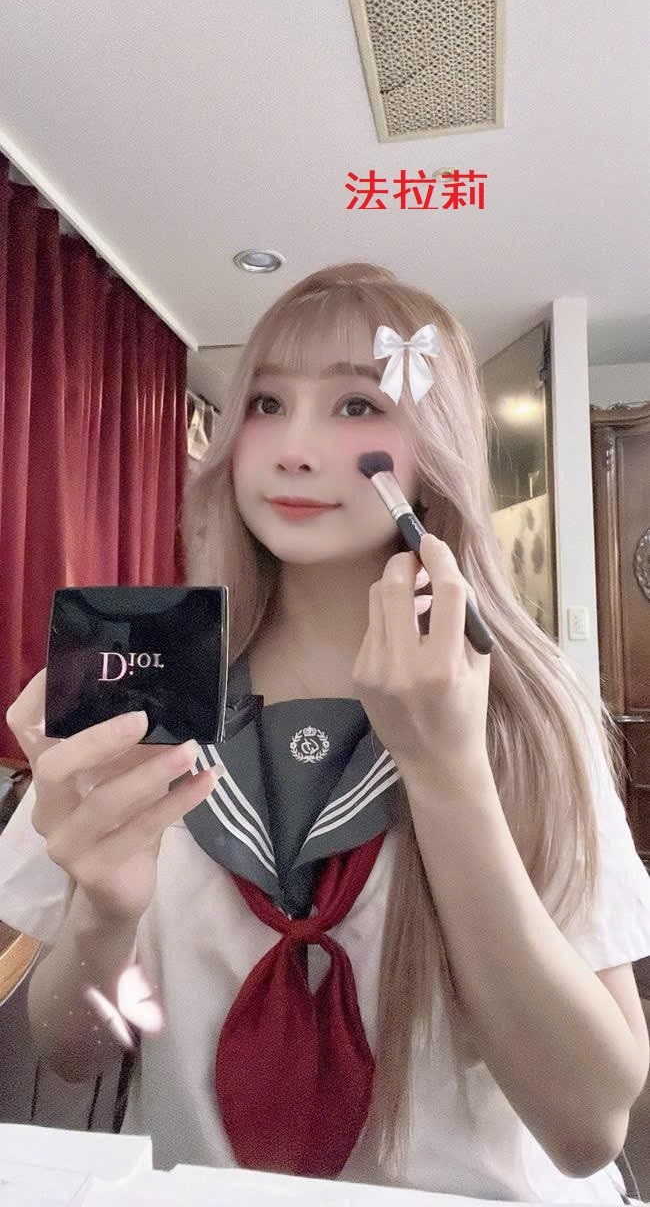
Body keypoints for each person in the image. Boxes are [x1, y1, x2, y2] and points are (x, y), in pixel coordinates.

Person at [1, 262, 649, 1204]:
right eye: (266, 403)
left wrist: (450, 776)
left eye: (356, 405)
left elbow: (588, 1129)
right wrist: (102, 914)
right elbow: (76, 1052)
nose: (294, 451)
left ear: (435, 448)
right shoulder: (145, 685)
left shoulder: (527, 709)